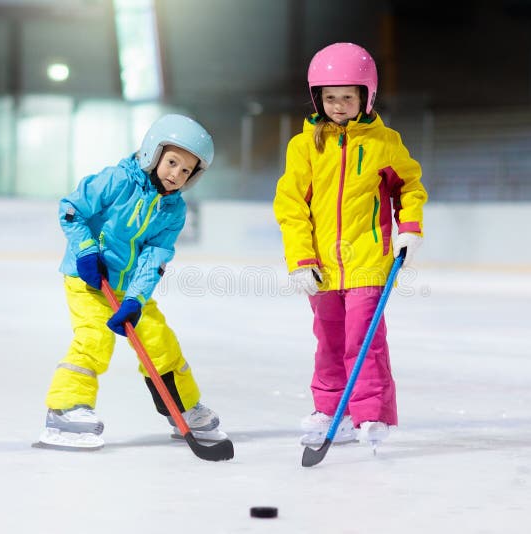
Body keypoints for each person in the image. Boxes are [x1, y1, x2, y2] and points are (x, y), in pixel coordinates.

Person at [37, 114, 226, 450]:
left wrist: (136, 300)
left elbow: (155, 257)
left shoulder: (174, 211)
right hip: (87, 279)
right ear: (152, 153)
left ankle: (181, 406)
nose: (176, 175)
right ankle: (65, 409)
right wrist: (85, 251)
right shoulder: (116, 181)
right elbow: (70, 209)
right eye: (172, 162)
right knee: (94, 338)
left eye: (186, 171)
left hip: (127, 287)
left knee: (160, 341)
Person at [273, 42, 428, 448]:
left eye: (347, 96)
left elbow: (409, 187)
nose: (338, 105)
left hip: (367, 261)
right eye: (329, 97)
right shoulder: (304, 147)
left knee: (364, 340)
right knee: (329, 342)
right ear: (316, 98)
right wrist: (300, 258)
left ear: (366, 96)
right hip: (322, 265)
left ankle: (371, 415)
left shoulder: (385, 143)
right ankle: (331, 412)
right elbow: (291, 206)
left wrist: (409, 228)